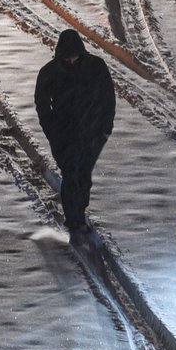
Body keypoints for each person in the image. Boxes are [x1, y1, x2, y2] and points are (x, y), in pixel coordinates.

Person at [35, 29, 116, 235]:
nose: (71, 60)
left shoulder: (95, 68)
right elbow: (42, 105)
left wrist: (105, 129)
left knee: (84, 175)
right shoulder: (50, 72)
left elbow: (107, 98)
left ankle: (78, 213)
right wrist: (52, 131)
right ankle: (74, 220)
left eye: (74, 56)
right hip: (63, 135)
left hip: (92, 134)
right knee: (71, 174)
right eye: (67, 57)